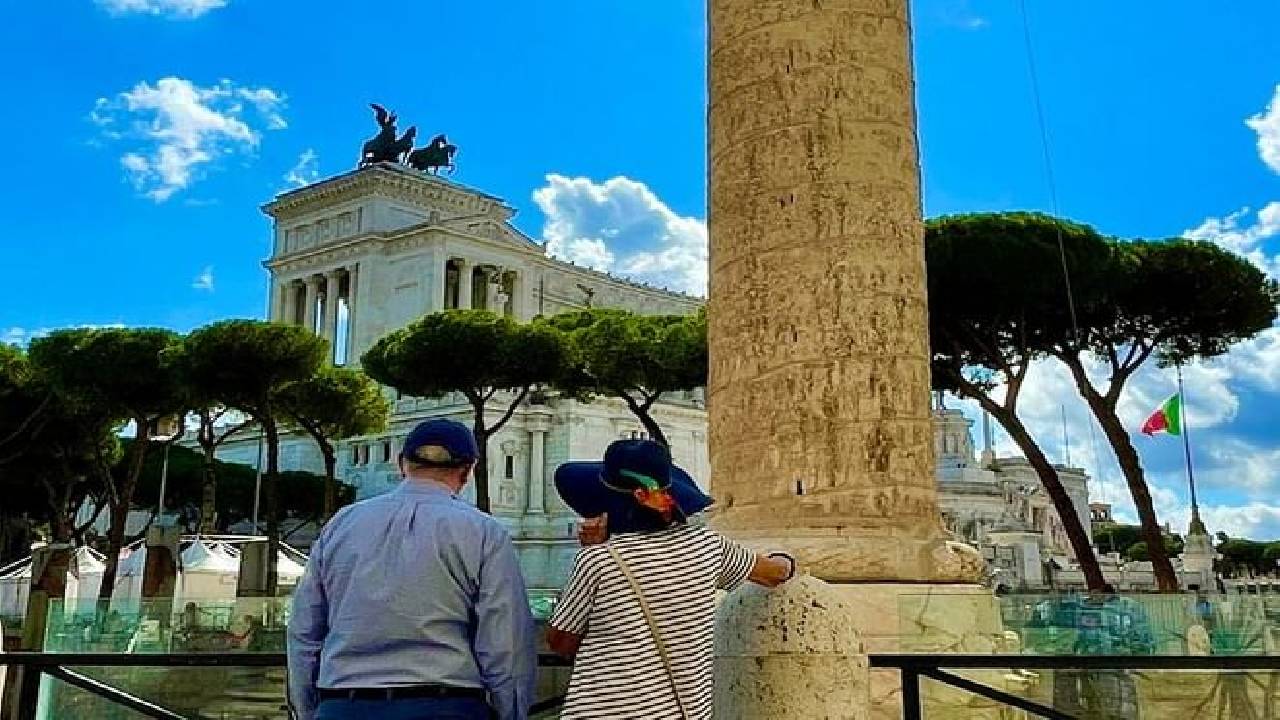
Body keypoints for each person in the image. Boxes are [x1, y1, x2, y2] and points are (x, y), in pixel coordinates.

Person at [287, 418, 536, 720]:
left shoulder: (341, 524)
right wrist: (510, 711)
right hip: (447, 704)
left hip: (343, 702)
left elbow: (304, 630)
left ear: (401, 463)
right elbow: (504, 642)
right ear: (468, 471)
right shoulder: (484, 531)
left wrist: (309, 708)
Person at [546, 439, 794, 720]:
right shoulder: (707, 546)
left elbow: (561, 642)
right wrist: (787, 561)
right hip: (680, 711)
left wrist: (593, 550)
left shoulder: (597, 561)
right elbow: (774, 574)